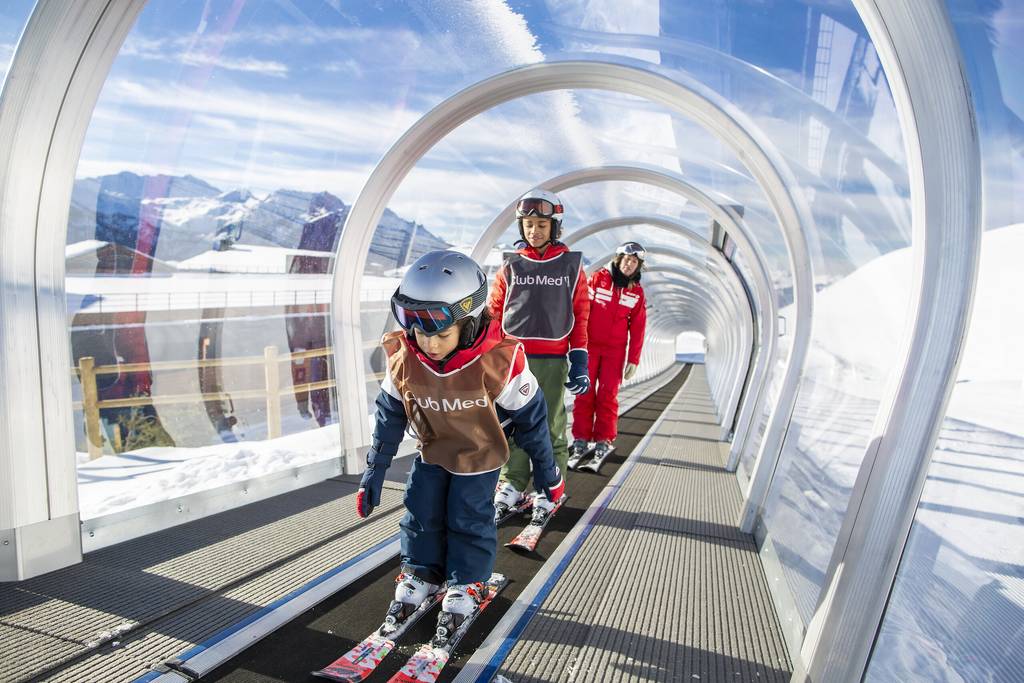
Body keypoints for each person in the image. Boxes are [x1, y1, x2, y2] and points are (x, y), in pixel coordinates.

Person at [356, 250, 564, 630]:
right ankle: (421, 573)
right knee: (420, 510)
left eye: (441, 333)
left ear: (468, 324)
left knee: (468, 516)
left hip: (479, 455)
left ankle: (466, 582)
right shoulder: (406, 357)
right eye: (419, 331)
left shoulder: (498, 361)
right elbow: (390, 413)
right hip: (433, 452)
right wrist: (374, 469)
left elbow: (533, 421)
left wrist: (548, 474)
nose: (429, 344)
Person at [489, 189, 590, 519]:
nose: (534, 231)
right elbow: (494, 311)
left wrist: (579, 359)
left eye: (542, 225)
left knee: (549, 425)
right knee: (514, 425)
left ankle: (550, 486)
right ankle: (513, 482)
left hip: (551, 359)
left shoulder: (572, 267)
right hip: (513, 359)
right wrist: (488, 353)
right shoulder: (511, 266)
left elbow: (581, 313)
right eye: (529, 225)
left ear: (555, 227)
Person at [570, 241, 648, 462]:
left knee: (607, 395)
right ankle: (580, 438)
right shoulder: (597, 279)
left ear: (638, 266)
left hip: (615, 352)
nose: (629, 264)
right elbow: (582, 310)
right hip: (590, 348)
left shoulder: (637, 293)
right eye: (627, 259)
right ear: (618, 259)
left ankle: (604, 439)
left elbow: (639, 327)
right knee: (584, 393)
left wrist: (633, 359)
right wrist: (576, 346)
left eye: (634, 261)